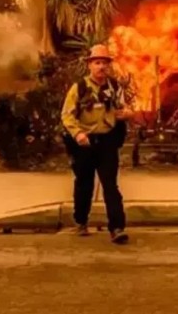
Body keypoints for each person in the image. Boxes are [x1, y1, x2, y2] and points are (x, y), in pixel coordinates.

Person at [61, 44, 133, 244]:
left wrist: (127, 114)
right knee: (84, 184)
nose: (101, 67)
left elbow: (124, 108)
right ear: (90, 65)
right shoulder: (80, 88)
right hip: (84, 143)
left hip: (107, 142)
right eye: (97, 62)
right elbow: (67, 116)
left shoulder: (114, 88)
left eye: (104, 63)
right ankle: (81, 221)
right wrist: (78, 134)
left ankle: (117, 228)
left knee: (110, 185)